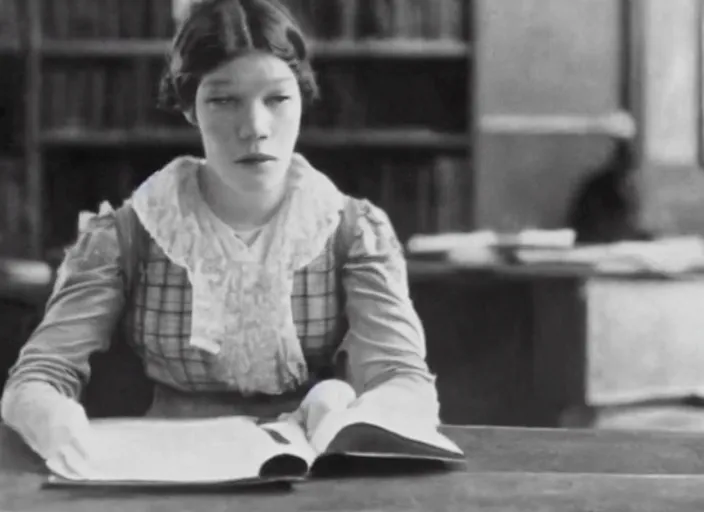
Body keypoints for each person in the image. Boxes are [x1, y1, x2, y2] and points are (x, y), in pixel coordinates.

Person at [0, 0, 439, 470]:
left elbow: (403, 377)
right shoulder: (131, 232)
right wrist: (52, 419)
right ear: (190, 108)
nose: (254, 128)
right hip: (169, 468)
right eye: (223, 100)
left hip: (310, 470)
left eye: (277, 98)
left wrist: (353, 410)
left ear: (302, 99)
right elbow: (39, 375)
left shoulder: (351, 231)